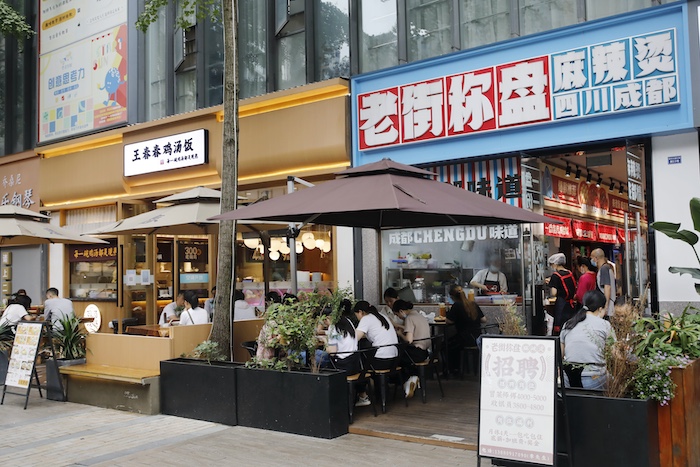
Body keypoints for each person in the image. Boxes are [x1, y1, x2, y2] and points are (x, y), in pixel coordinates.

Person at [561, 290, 615, 390]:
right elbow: (614, 354)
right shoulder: (605, 325)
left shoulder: (568, 324)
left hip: (567, 378)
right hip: (594, 378)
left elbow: (561, 355)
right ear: (600, 309)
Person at [354, 301, 399, 407]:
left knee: (358, 365)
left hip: (382, 361)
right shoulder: (381, 316)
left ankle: (363, 396)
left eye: (356, 315)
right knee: (366, 359)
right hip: (394, 359)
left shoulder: (366, 318)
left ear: (360, 312)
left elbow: (354, 338)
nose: (357, 318)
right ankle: (380, 393)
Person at [392, 299, 430, 398]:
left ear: (401, 311)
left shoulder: (409, 318)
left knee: (395, 358)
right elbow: (413, 329)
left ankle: (409, 380)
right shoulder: (419, 316)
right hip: (425, 352)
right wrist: (399, 326)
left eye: (397, 315)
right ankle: (413, 378)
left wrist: (399, 334)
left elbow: (409, 340)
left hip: (415, 353)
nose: (398, 317)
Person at [446, 285, 486, 370]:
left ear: (452, 297)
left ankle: (453, 370)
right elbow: (484, 319)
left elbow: (449, 321)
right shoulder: (473, 303)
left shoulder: (456, 305)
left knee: (446, 345)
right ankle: (467, 369)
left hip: (464, 338)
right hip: (477, 337)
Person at [546, 253, 577, 336]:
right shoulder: (569, 273)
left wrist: (551, 284)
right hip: (571, 305)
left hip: (561, 305)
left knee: (559, 326)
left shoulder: (555, 275)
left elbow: (554, 293)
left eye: (551, 265)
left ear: (555, 264)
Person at [326, 299, 360, 374]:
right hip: (355, 365)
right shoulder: (348, 321)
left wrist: (325, 341)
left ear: (329, 317)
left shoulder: (333, 327)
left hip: (343, 367)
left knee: (320, 358)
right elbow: (339, 337)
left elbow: (332, 352)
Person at [591, 248, 616, 317]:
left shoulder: (604, 269)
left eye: (592, 258)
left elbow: (607, 287)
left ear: (596, 258)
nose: (591, 260)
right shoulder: (606, 268)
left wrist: (605, 307)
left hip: (608, 308)